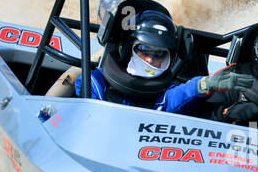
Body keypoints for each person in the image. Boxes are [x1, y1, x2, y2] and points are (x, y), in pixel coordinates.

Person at [48, 7, 189, 108]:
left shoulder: (166, 91)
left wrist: (204, 85)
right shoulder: (97, 82)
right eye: (144, 50)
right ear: (128, 49)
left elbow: (185, 92)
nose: (150, 60)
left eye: (159, 54)